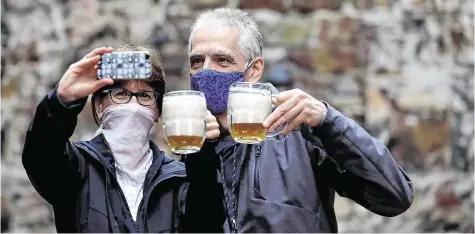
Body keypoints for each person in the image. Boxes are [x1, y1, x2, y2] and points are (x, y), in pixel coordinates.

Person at [187, 8, 414, 233]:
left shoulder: (299, 132)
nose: (206, 70)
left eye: (222, 60)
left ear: (254, 70)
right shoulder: (187, 143)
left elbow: (394, 196)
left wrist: (328, 121)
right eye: (197, 61)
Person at [22, 44, 225, 232]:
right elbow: (41, 153)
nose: (133, 106)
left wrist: (203, 156)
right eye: (120, 94)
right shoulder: (77, 168)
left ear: (157, 112)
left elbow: (206, 221)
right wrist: (60, 102)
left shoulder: (178, 178)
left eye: (145, 96)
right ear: (99, 106)